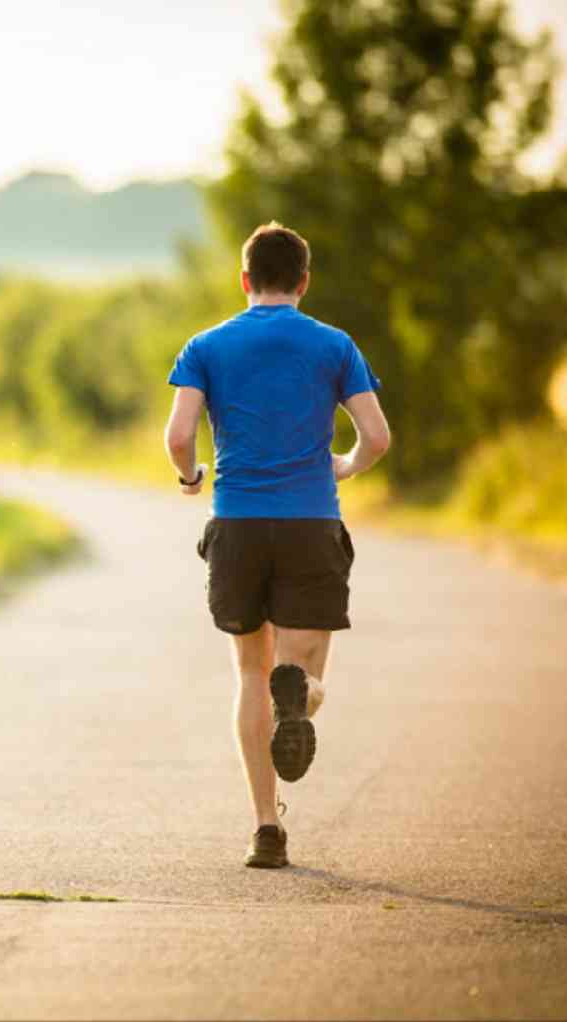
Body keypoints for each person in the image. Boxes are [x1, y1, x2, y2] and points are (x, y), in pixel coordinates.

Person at [164, 221, 391, 869]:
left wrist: (190, 478)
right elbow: (376, 437)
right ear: (303, 281)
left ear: (244, 281)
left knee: (249, 674)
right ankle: (306, 697)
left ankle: (266, 829)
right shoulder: (333, 344)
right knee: (303, 672)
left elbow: (180, 435)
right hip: (309, 522)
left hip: (237, 524)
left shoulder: (207, 345)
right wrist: (344, 465)